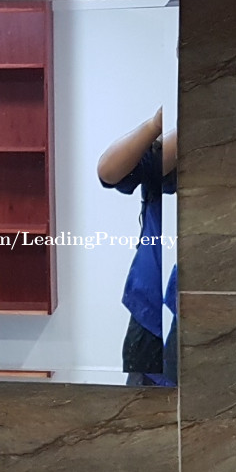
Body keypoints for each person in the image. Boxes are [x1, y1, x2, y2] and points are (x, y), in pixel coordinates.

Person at [98, 109, 177, 385]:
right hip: (150, 315)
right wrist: (156, 123)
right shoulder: (170, 151)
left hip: (208, 311)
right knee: (142, 406)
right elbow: (109, 172)